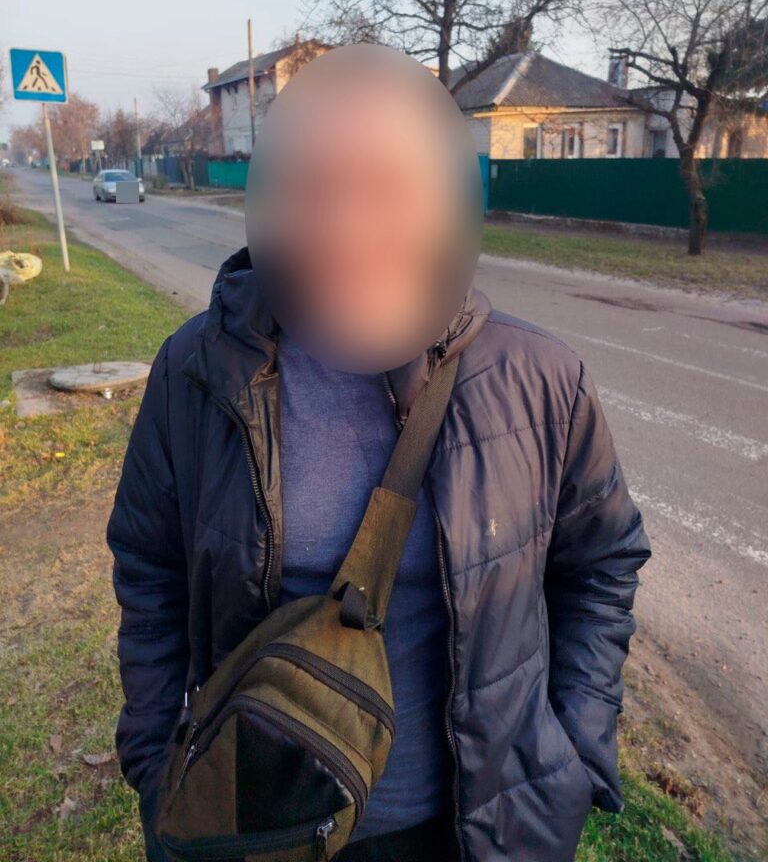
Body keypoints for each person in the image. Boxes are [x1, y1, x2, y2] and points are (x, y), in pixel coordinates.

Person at [107, 44, 651, 862]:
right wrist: (156, 764)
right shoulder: (198, 372)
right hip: (261, 820)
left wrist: (575, 747)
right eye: (315, 190)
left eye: (389, 190)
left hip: (474, 830)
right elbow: (148, 568)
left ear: (446, 203)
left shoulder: (540, 381)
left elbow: (602, 564)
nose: (349, 229)